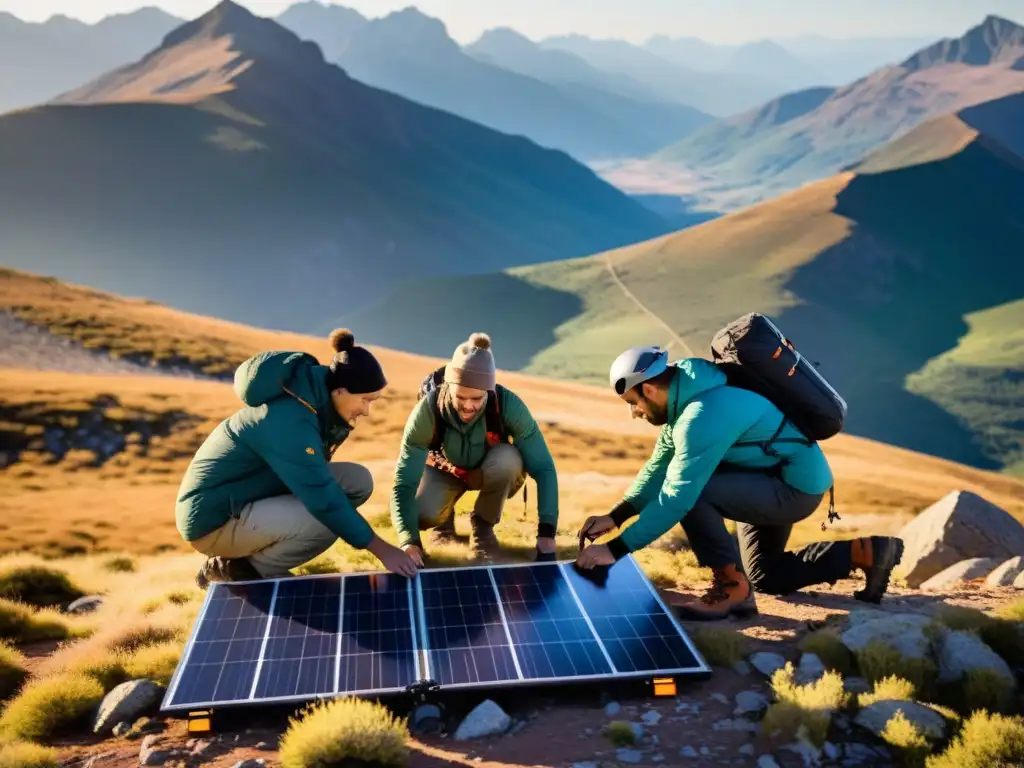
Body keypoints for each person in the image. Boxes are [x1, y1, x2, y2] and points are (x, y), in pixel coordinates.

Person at [575, 345, 904, 620]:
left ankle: (732, 591)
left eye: (633, 403)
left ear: (648, 389)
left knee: (695, 492)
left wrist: (614, 550)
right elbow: (658, 467)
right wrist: (615, 517)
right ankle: (868, 552)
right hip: (764, 477)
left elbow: (677, 498)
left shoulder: (701, 415)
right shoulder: (685, 399)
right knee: (766, 576)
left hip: (792, 489)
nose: (633, 412)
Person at [175, 328, 419, 588]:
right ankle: (241, 570)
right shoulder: (290, 420)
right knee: (329, 520)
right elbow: (322, 498)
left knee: (357, 481)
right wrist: (381, 549)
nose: (367, 411)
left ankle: (250, 558)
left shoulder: (313, 403)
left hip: (248, 497)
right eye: (365, 400)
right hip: (214, 520)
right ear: (340, 391)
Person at [390, 332, 559, 563]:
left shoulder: (508, 404)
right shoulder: (427, 411)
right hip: (443, 470)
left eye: (477, 399)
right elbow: (404, 484)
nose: (468, 406)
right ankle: (443, 524)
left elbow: (544, 468)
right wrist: (409, 541)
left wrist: (547, 534)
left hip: (489, 469)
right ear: (447, 386)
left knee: (508, 460)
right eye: (460, 397)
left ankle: (483, 527)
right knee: (421, 514)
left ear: (488, 391)